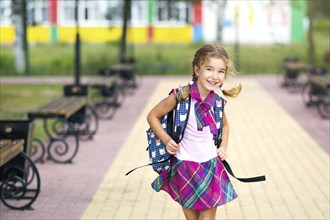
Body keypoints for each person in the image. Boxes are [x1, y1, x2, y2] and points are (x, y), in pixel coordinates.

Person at [146, 43, 242, 220]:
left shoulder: (218, 103)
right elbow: (152, 116)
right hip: (184, 167)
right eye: (209, 69)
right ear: (197, 70)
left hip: (210, 166)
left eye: (221, 71)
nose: (215, 76)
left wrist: (224, 146)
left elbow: (225, 126)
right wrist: (167, 140)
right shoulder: (180, 96)